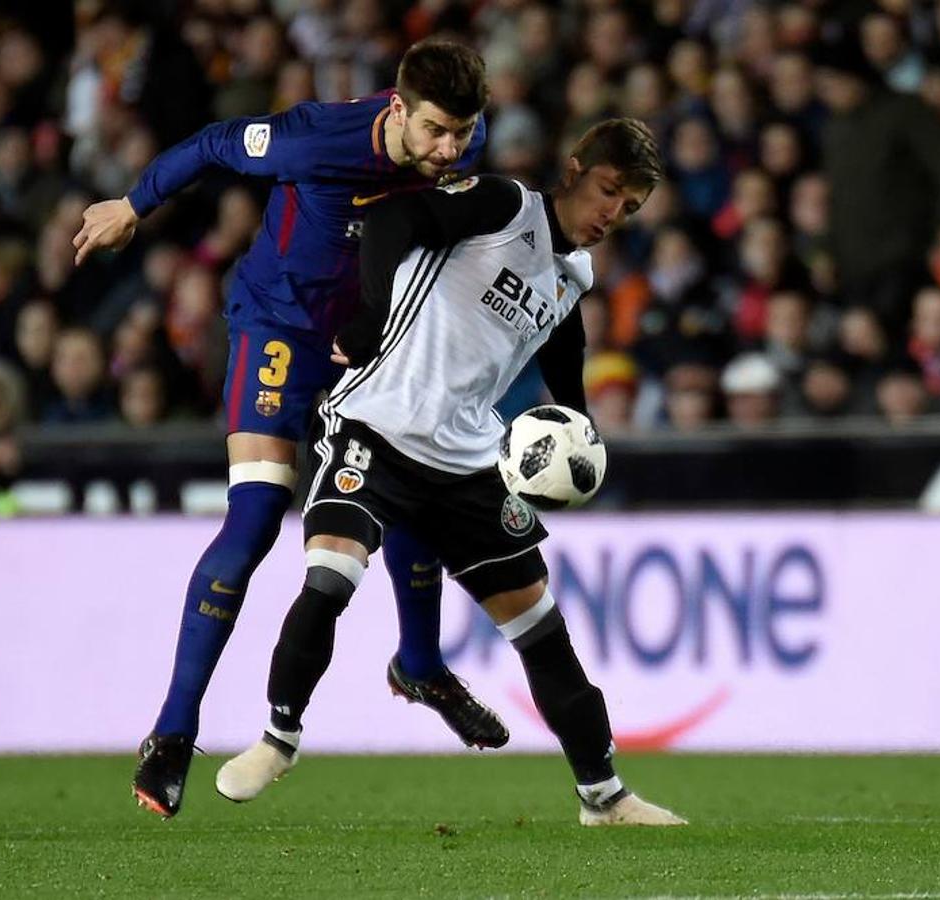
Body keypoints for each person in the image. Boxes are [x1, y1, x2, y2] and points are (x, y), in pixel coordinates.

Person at [72, 40, 507, 819]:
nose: (451, 149)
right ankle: (173, 732)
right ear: (399, 109)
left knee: (409, 494)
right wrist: (131, 208)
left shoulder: (465, 142)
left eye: (463, 132)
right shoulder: (318, 136)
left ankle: (420, 663)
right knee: (257, 517)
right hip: (280, 327)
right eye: (437, 130)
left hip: (370, 340)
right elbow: (213, 144)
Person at [216, 118, 685, 827]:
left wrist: (579, 419)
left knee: (540, 628)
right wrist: (372, 313)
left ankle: (605, 797)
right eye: (608, 191)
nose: (611, 214)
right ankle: (278, 739)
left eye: (630, 207)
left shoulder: (574, 272)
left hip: (466, 461)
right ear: (575, 167)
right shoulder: (501, 206)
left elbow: (563, 330)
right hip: (376, 425)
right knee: (330, 578)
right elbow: (394, 219)